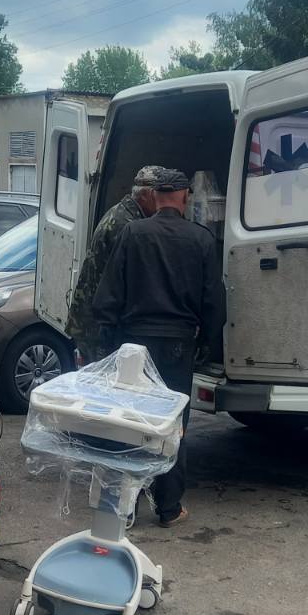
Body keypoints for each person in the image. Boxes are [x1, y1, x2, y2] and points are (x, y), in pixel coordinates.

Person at [91, 167, 223, 528]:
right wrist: (207, 345)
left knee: (130, 423)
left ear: (156, 196)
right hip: (178, 346)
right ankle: (168, 507)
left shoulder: (133, 233)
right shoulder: (201, 239)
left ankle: (125, 508)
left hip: (134, 344)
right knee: (171, 424)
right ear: (184, 198)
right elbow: (213, 301)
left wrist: (109, 341)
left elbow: (108, 294)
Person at [65, 165, 168, 361]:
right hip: (97, 327)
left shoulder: (124, 213)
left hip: (92, 321)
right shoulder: (126, 225)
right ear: (147, 195)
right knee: (105, 376)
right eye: (160, 196)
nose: (163, 202)